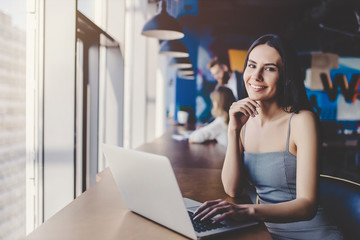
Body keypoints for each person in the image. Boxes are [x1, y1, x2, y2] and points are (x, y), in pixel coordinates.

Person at [193, 34, 343, 240]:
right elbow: (232, 189)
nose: (256, 76)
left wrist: (248, 211)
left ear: (287, 77)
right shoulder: (245, 121)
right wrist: (233, 130)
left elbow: (307, 205)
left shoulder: (301, 121)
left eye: (270, 68)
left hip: (310, 234)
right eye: (252, 66)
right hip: (265, 232)